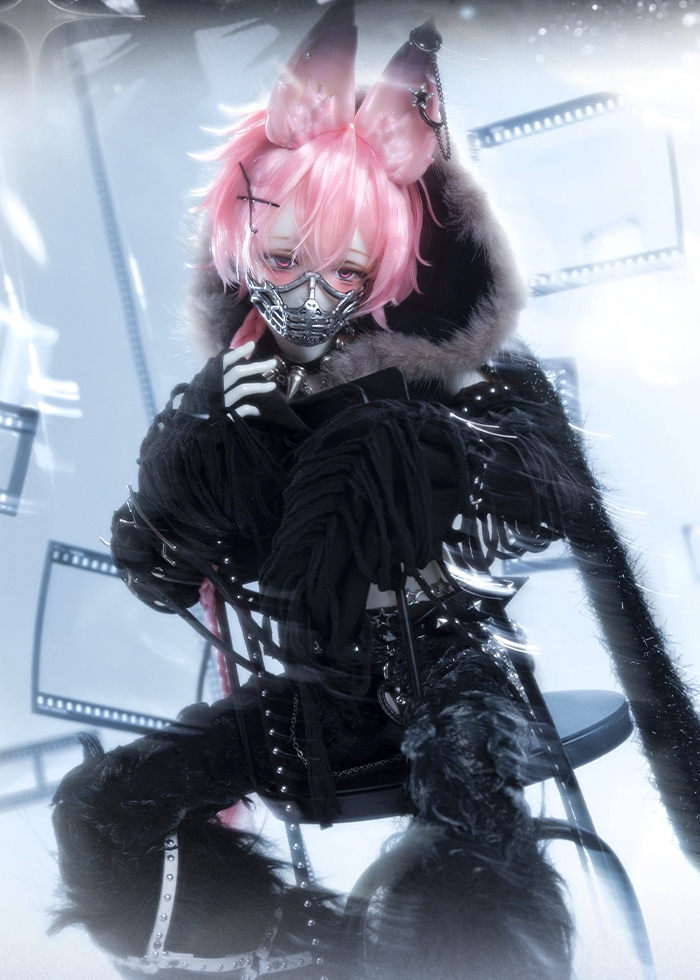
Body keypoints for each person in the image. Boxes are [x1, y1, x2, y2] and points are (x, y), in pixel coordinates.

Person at [51, 3, 700, 978]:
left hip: (454, 676)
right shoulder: (229, 402)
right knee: (99, 813)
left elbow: (551, 509)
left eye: (345, 269)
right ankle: (314, 947)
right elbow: (161, 571)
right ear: (239, 244)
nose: (310, 298)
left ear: (389, 272)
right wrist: (211, 438)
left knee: (473, 825)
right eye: (281, 260)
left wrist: (414, 434)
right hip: (315, 702)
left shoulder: (459, 390)